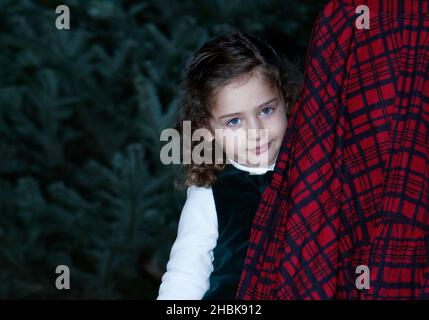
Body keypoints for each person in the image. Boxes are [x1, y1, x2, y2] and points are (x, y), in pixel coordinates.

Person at [157, 30, 300, 299]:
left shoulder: (309, 169)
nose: (256, 130)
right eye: (234, 121)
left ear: (287, 101)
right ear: (206, 129)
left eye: (266, 110)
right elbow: (186, 274)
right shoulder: (209, 192)